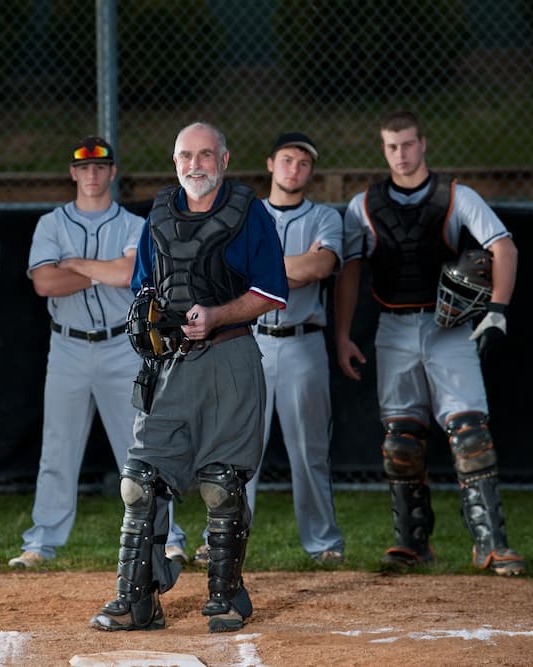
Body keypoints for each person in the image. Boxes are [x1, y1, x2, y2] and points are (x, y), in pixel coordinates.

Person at [89, 122, 288, 634]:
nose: (194, 165)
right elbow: (144, 287)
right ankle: (137, 601)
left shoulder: (249, 213)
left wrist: (218, 314)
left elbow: (272, 292)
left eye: (205, 155)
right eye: (185, 156)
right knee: (139, 482)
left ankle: (225, 598)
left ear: (224, 160)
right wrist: (149, 322)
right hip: (171, 365)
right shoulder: (158, 214)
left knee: (220, 484)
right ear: (174, 160)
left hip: (230, 356)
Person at [334, 110, 525, 575]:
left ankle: (491, 544)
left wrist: (496, 309)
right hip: (394, 328)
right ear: (384, 150)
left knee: (471, 435)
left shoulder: (456, 196)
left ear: (423, 144)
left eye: (408, 144)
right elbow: (350, 272)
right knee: (401, 441)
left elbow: (504, 247)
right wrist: (341, 334)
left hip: (448, 330)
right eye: (391, 146)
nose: (401, 154)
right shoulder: (364, 205)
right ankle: (412, 542)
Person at [9, 136, 187, 570]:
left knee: (141, 445)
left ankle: (167, 536)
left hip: (119, 345)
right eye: (84, 168)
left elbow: (128, 273)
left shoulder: (131, 224)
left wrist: (75, 265)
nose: (92, 174)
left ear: (111, 172)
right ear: (73, 173)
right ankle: (42, 542)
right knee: (58, 447)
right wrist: (100, 272)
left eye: (100, 167)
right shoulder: (52, 224)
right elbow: (44, 284)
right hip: (67, 345)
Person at [192, 131, 345, 569]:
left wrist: (263, 270)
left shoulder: (325, 218)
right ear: (270, 163)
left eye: (302, 162)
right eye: (286, 160)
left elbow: (321, 266)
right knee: (234, 447)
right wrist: (288, 269)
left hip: (302, 342)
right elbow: (229, 272)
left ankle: (323, 542)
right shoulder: (243, 212)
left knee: (309, 449)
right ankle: (221, 538)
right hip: (247, 341)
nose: (293, 169)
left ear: (310, 171)